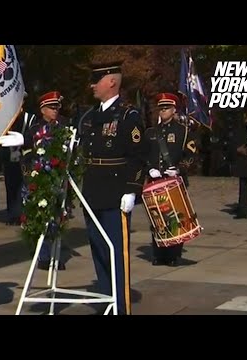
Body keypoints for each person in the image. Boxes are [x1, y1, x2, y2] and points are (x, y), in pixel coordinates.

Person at [79, 61, 147, 315]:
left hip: (116, 193)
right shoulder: (90, 116)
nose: (91, 85)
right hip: (92, 191)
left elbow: (139, 156)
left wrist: (132, 190)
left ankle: (120, 307)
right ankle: (107, 302)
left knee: (116, 253)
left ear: (111, 81)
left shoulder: (129, 116)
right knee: (98, 248)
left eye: (96, 80)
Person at [144, 92, 198, 266]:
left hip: (173, 181)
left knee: (175, 218)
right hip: (155, 181)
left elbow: (192, 155)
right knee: (157, 217)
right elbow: (142, 155)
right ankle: (159, 253)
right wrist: (149, 168)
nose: (163, 111)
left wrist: (180, 169)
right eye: (161, 108)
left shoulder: (183, 131)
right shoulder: (151, 132)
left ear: (174, 110)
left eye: (166, 108)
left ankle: (174, 255)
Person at [21, 91, 67, 271]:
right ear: (43, 110)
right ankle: (43, 255)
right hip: (40, 180)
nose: (55, 110)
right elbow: (27, 156)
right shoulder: (35, 130)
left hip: (58, 179)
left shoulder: (63, 127)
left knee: (57, 218)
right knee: (41, 217)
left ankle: (56, 255)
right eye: (51, 107)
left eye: (57, 107)